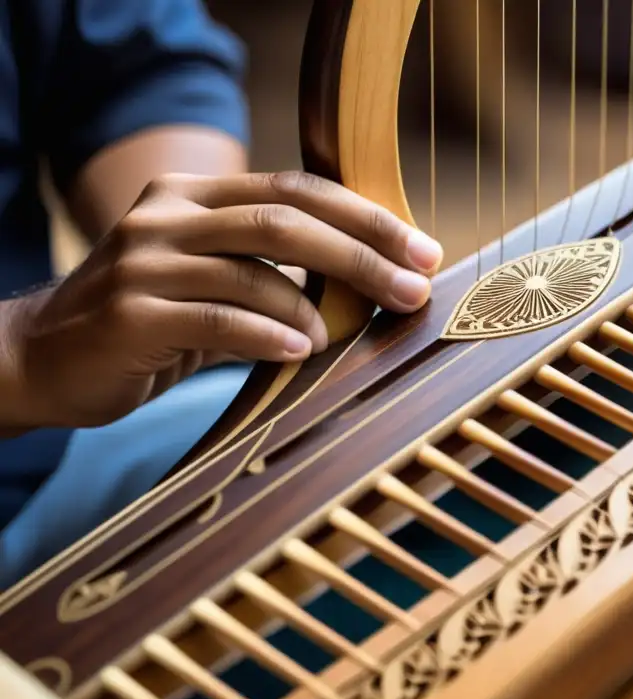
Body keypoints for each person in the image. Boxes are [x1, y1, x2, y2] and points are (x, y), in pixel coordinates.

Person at [0, 0, 442, 589]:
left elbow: (136, 70)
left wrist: (193, 254)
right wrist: (25, 353)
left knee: (407, 437)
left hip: (58, 464)